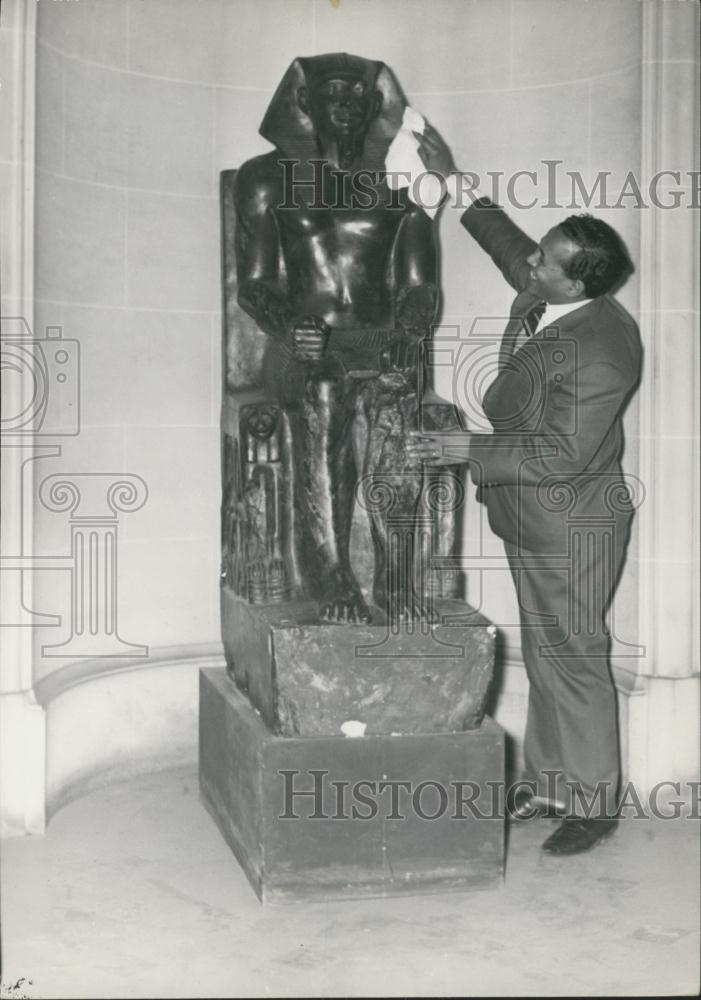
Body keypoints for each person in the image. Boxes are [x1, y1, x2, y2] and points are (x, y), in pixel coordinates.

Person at [408, 124, 642, 856]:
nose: (529, 265)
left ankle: (593, 803)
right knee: (547, 653)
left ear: (575, 284)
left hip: (572, 522)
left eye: (544, 263)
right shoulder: (554, 294)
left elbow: (560, 455)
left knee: (571, 654)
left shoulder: (601, 349)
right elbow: (509, 246)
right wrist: (453, 178)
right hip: (537, 518)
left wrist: (467, 448)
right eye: (540, 254)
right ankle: (550, 782)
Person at [234, 55, 454, 624]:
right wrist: (289, 324)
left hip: (379, 337)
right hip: (302, 344)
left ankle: (396, 571)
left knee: (397, 392)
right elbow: (254, 285)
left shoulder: (400, 177)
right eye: (333, 93)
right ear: (303, 104)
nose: (348, 106)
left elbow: (418, 284)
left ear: (375, 104)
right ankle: (328, 570)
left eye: (359, 96)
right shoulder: (266, 177)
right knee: (325, 387)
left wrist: (411, 332)